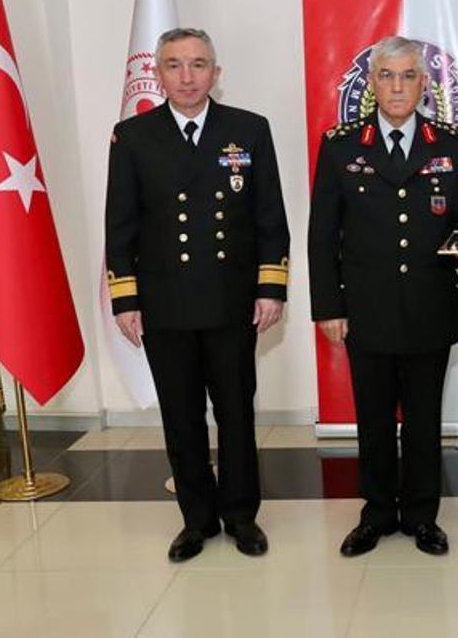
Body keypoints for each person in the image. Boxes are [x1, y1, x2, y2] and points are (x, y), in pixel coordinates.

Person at [105, 28, 289, 562]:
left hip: (232, 302)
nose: (187, 76)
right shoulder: (132, 136)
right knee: (181, 418)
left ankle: (241, 515)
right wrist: (125, 299)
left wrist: (270, 288)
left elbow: (269, 217)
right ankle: (197, 519)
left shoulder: (249, 130)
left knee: (236, 414)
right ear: (157, 73)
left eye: (199, 64)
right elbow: (120, 224)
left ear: (216, 72)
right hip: (165, 304)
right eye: (174, 65)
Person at [309, 36, 458, 557]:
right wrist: (329, 307)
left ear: (424, 84)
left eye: (409, 75)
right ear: (372, 83)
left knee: (425, 420)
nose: (398, 86)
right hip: (367, 309)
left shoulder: (450, 143)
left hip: (430, 305)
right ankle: (378, 512)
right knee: (375, 420)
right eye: (387, 76)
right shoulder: (342, 145)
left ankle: (423, 516)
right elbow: (323, 234)